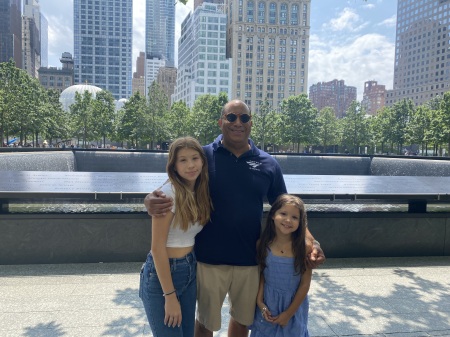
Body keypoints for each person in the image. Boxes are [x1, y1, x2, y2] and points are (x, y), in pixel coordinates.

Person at [144, 99, 325, 337]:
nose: (237, 122)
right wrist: (148, 200)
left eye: (244, 118)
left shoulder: (268, 164)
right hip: (208, 259)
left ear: (251, 123)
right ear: (221, 122)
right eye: (231, 117)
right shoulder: (204, 157)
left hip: (249, 259)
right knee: (205, 323)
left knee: (242, 322)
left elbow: (289, 208)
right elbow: (175, 184)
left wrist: (313, 242)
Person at [139, 136, 213, 337]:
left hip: (189, 267)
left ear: (202, 161)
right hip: (163, 275)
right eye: (183, 160)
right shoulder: (167, 194)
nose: (190, 165)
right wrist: (169, 296)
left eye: (195, 158)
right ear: (174, 165)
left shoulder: (199, 191)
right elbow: (157, 248)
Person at [250, 194, 312, 337]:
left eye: (295, 217)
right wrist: (260, 302)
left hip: (293, 306)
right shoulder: (263, 244)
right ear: (273, 215)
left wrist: (288, 314)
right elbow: (262, 276)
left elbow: (305, 284)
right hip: (268, 303)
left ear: (300, 222)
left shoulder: (304, 247)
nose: (288, 220)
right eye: (283, 214)